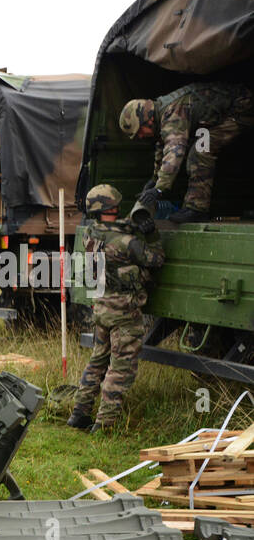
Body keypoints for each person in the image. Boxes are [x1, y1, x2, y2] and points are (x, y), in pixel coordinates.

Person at [67, 185, 165, 434]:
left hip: (102, 310)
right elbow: (156, 258)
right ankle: (105, 423)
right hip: (124, 314)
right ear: (112, 207)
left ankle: (80, 413)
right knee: (121, 368)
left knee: (98, 361)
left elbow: (115, 232)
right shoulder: (126, 243)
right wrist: (151, 234)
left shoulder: (92, 234)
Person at [121, 82, 254, 223]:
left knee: (200, 151)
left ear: (147, 120)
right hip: (226, 111)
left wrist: (159, 189)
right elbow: (162, 148)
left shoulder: (172, 115)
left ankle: (197, 209)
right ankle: (194, 206)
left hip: (242, 109)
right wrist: (154, 180)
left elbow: (174, 152)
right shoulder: (161, 115)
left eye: (139, 132)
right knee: (200, 144)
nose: (141, 137)